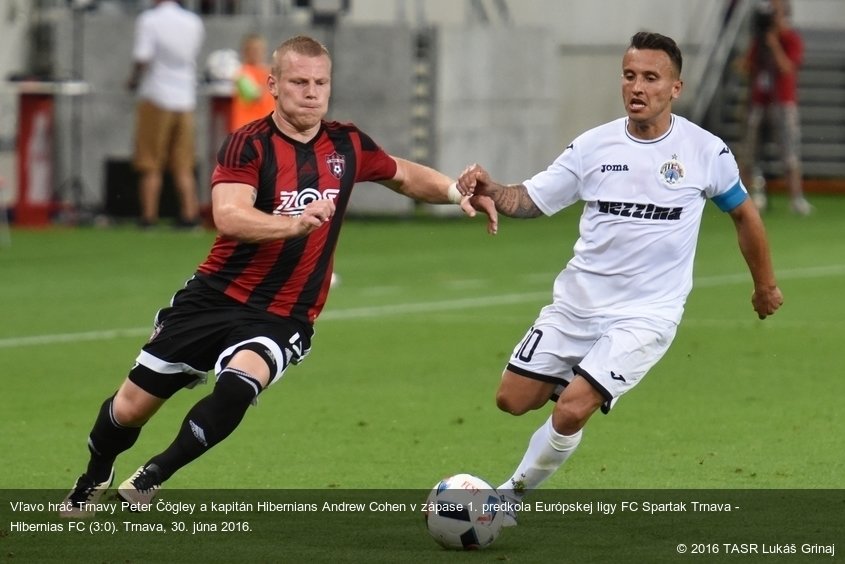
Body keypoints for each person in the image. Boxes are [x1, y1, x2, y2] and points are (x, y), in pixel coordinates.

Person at [60, 35, 481, 517]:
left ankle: (154, 475)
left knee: (240, 385)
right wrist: (292, 224)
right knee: (131, 407)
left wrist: (454, 191)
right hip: (214, 296)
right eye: (299, 81)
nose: (311, 92)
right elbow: (229, 215)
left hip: (285, 312)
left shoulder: (346, 143)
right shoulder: (249, 143)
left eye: (321, 82)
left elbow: (403, 175)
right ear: (274, 85)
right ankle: (96, 473)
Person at [457, 31, 784, 526]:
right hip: (576, 305)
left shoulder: (704, 151)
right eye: (630, 76)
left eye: (651, 78)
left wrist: (765, 285)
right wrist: (491, 188)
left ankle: (508, 499)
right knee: (511, 399)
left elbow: (745, 215)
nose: (637, 87)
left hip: (646, 315)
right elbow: (531, 199)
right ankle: (579, 379)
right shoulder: (593, 146)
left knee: (569, 412)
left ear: (675, 88)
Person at [126, 0, 205, 229]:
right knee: (183, 162)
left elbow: (143, 56)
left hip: (157, 94)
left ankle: (148, 215)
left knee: (151, 160)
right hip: (186, 97)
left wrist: (133, 80)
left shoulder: (149, 20)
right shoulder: (193, 21)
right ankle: (189, 214)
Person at [739, 0, 811, 215]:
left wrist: (774, 44)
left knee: (790, 152)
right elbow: (746, 66)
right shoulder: (759, 40)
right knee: (749, 152)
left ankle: (796, 198)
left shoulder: (791, 39)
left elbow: (787, 67)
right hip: (759, 101)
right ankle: (744, 198)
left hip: (783, 102)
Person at [230, 33, 276, 131]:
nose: (257, 52)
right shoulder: (242, 74)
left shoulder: (269, 72)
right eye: (253, 49)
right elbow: (254, 95)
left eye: (260, 49)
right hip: (248, 131)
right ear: (245, 52)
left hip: (268, 129)